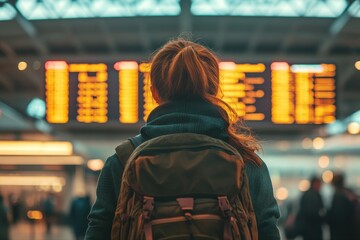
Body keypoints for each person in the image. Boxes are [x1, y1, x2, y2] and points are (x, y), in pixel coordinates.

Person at [85, 38, 280, 240]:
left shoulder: (122, 162)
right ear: (213, 91)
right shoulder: (247, 164)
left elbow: (97, 232)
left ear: (154, 93)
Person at [327, 173, 357, 240]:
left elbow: (337, 216)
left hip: (340, 232)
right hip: (349, 231)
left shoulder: (338, 196)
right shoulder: (348, 193)